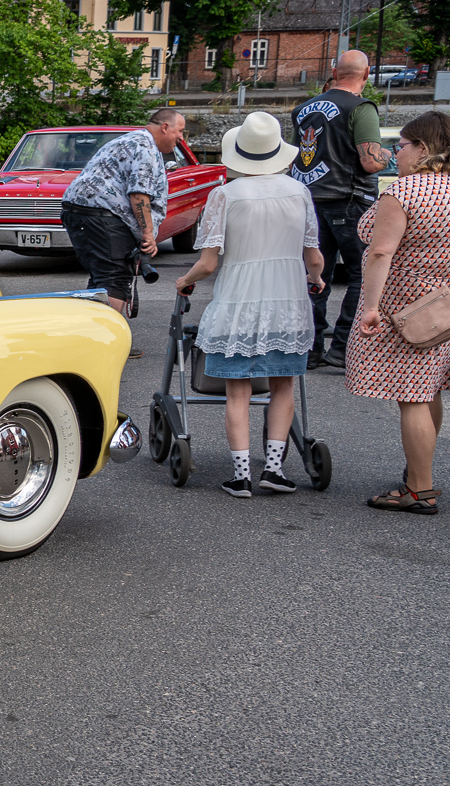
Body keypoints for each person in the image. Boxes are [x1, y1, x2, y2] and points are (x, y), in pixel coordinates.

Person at [172, 112, 324, 498]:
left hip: (238, 303)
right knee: (283, 386)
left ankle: (240, 475)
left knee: (237, 391)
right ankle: (274, 469)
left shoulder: (224, 196)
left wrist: (185, 280)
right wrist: (317, 279)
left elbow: (208, 263)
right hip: (286, 304)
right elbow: (314, 256)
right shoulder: (298, 192)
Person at [349, 110, 450, 513]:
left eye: (402, 145)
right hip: (442, 306)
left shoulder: (404, 192)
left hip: (404, 308)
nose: (397, 152)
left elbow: (380, 251)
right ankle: (417, 472)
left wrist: (370, 307)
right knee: (429, 389)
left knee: (411, 396)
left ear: (423, 149)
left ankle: (419, 490)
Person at [291, 49, 390, 370]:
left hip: (308, 201)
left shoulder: (303, 109)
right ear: (366, 74)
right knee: (363, 274)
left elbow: (297, 156)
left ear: (334, 72)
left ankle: (310, 348)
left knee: (315, 273)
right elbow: (370, 162)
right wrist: (388, 155)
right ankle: (344, 347)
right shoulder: (360, 108)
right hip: (349, 201)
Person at [60, 108, 186, 336]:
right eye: (180, 131)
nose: (182, 138)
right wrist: (148, 234)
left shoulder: (130, 140)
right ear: (165, 127)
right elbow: (139, 195)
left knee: (103, 277)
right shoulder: (146, 147)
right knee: (115, 278)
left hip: (80, 211)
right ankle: (107, 342)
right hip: (102, 214)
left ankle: (90, 337)